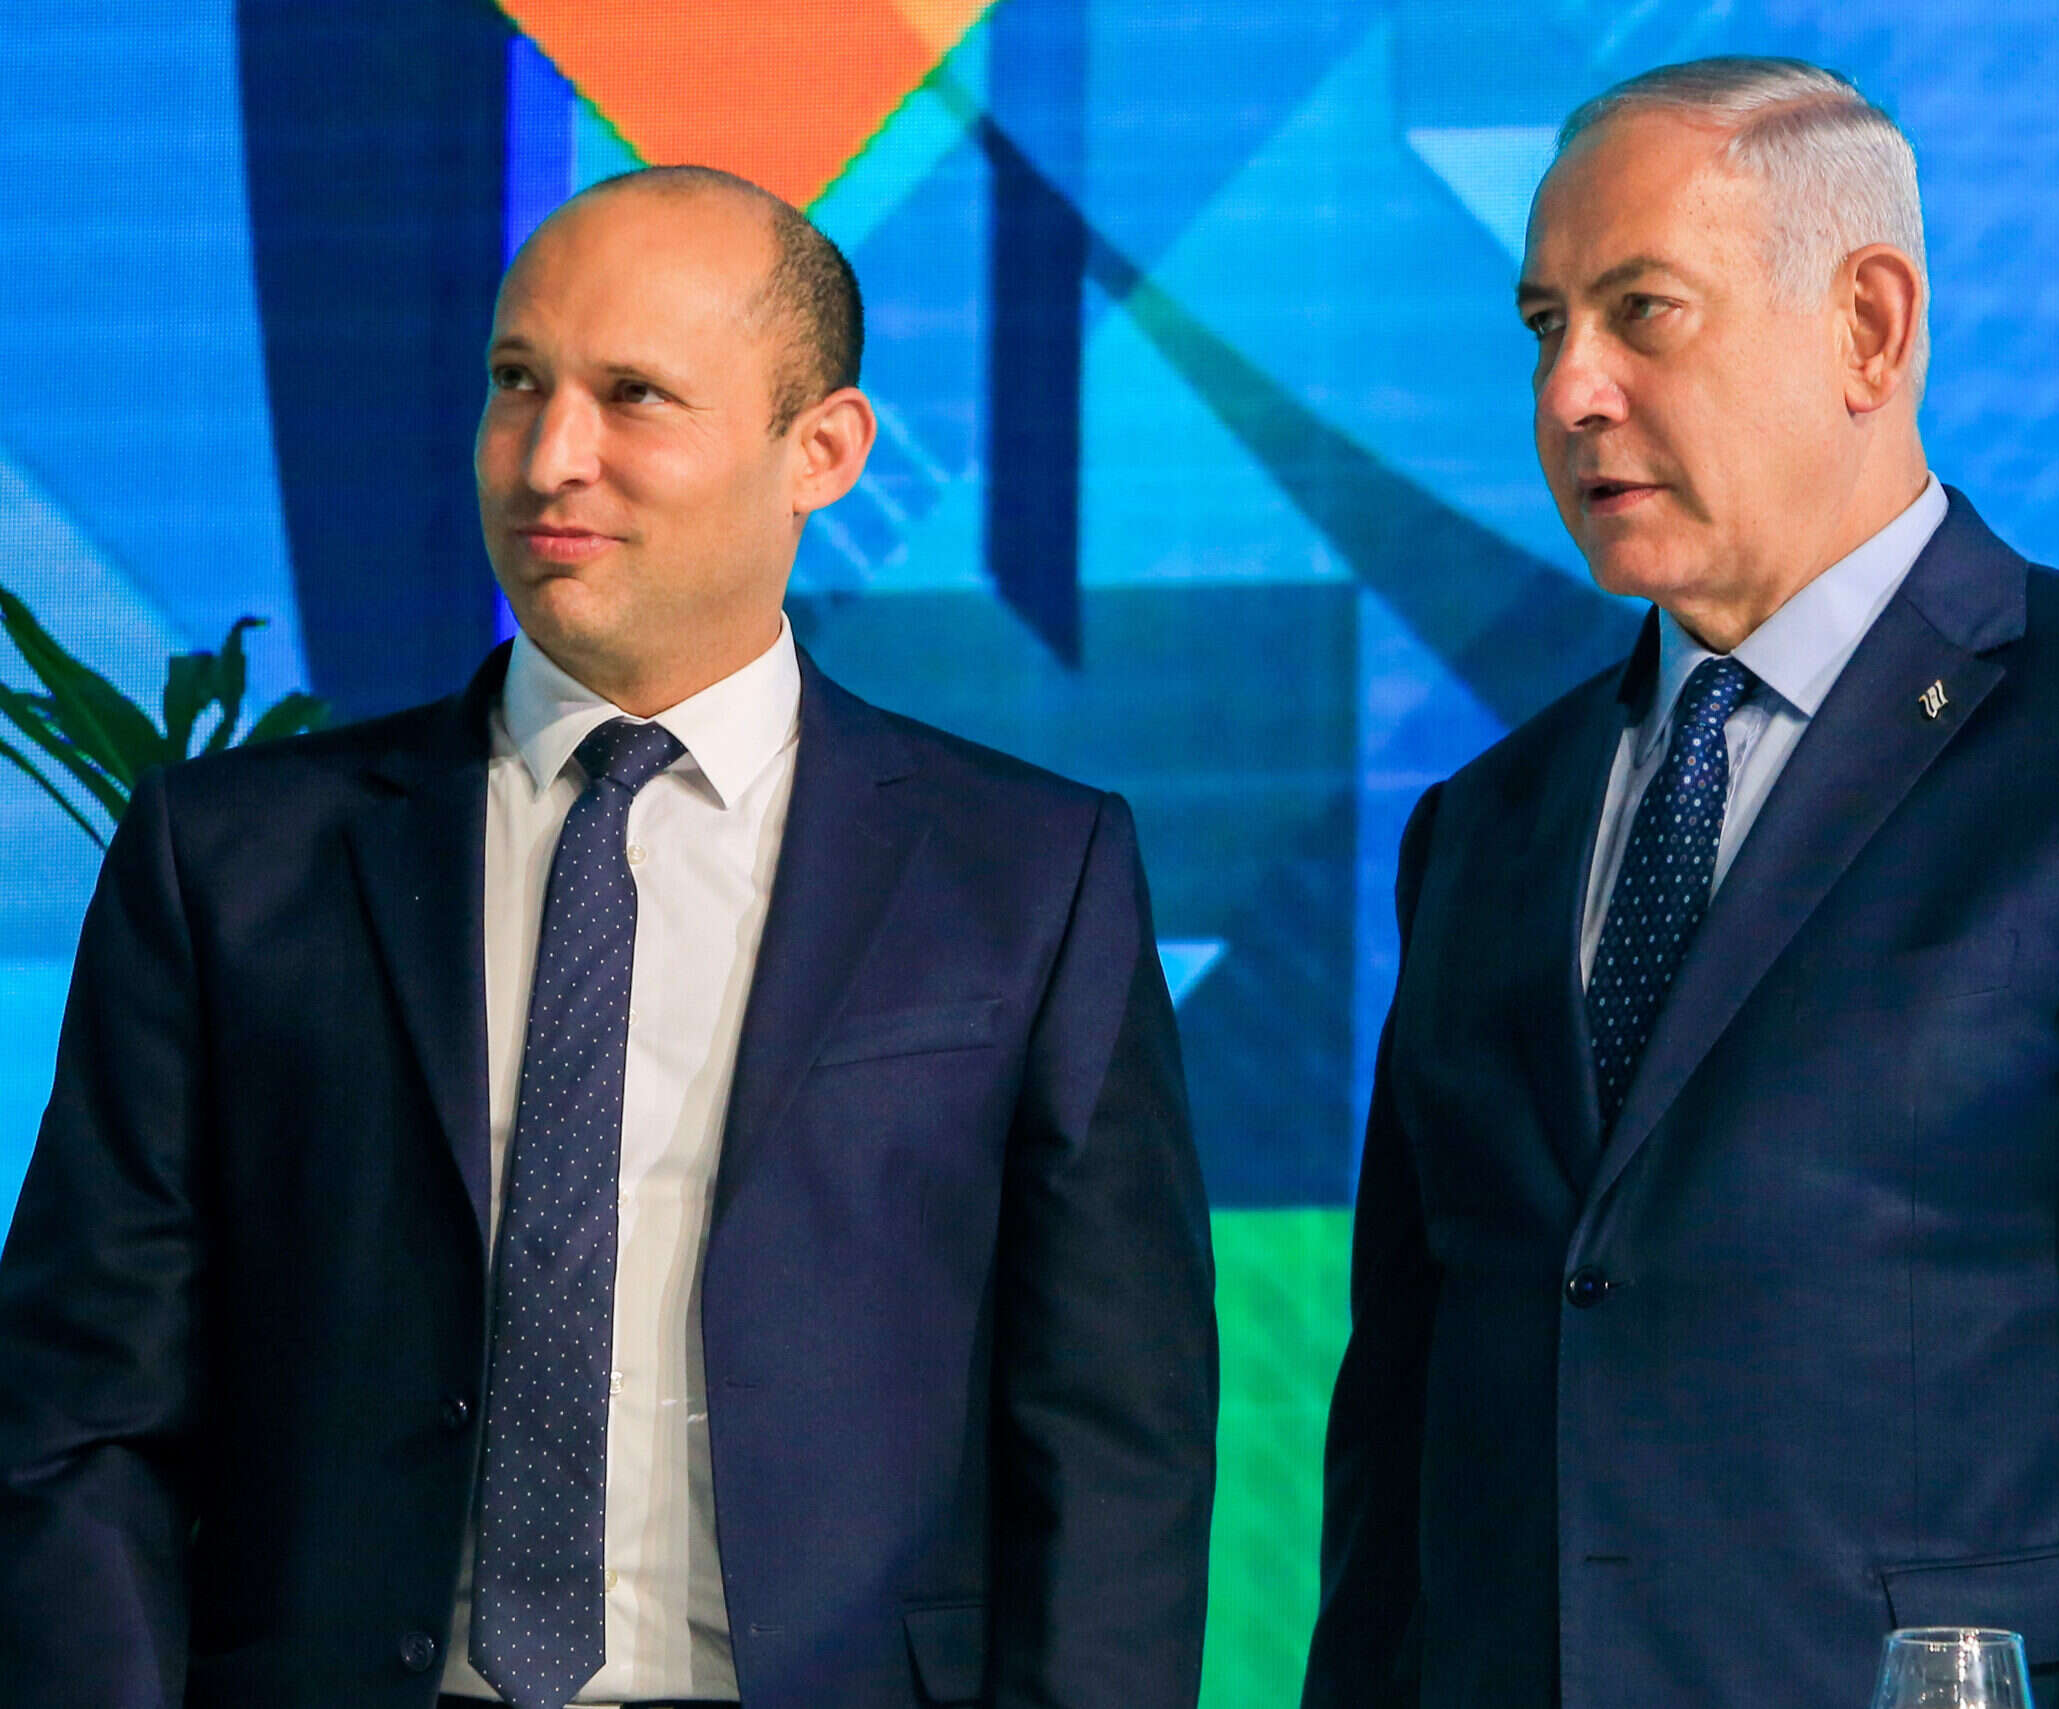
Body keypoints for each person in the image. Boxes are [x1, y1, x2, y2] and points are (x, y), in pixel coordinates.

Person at [0, 166, 1217, 1709]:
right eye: (518, 382)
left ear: (823, 449)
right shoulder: (237, 859)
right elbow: (82, 1409)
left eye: (633, 395)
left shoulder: (1029, 875)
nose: (548, 458)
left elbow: (1115, 1444)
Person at [1302, 57, 2059, 1709]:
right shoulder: (1486, 822)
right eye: (1546, 326)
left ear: (1870, 327)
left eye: (1641, 311)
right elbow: (1402, 1434)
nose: (1571, 391)